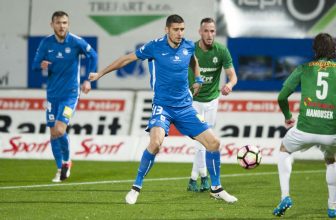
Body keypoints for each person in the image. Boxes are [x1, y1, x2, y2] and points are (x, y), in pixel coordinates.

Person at [89, 14, 238, 205]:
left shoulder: (187, 46)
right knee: (156, 143)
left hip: (185, 107)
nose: (179, 33)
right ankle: (136, 187)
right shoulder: (154, 47)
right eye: (176, 29)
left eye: (182, 29)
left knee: (214, 143)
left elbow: (193, 61)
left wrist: (198, 78)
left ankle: (216, 188)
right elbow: (127, 59)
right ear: (166, 29)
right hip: (163, 106)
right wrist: (101, 73)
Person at [273, 33, 336, 218]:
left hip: (305, 129)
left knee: (284, 150)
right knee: (332, 160)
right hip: (331, 131)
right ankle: (332, 207)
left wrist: (287, 116)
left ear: (315, 49)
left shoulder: (304, 68)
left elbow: (282, 96)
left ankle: (285, 196)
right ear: (333, 49)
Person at [32, 11, 97, 183]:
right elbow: (34, 64)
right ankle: (60, 168)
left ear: (68, 24)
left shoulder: (75, 41)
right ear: (52, 24)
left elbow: (93, 55)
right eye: (59, 23)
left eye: (65, 23)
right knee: (53, 133)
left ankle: (67, 162)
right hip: (52, 95)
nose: (62, 26)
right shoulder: (46, 43)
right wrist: (41, 65)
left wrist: (88, 80)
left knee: (60, 129)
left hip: (71, 94)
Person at [187, 17, 237, 192]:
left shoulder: (221, 51)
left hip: (212, 101)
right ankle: (203, 176)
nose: (209, 35)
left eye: (212, 31)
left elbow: (233, 76)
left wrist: (229, 85)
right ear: (200, 32)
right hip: (193, 101)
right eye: (206, 31)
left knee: (205, 142)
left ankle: (194, 179)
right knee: (201, 141)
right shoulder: (190, 49)